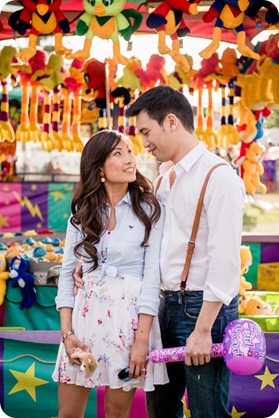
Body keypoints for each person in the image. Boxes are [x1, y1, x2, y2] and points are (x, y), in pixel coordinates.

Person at [74, 86, 246, 418]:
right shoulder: (164, 177)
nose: (144, 143)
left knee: (206, 411)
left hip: (201, 309)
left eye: (145, 132)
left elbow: (226, 263)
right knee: (161, 410)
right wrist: (87, 265)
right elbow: (136, 240)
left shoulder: (218, 177)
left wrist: (202, 329)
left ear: (170, 122)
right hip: (163, 306)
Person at [52, 129, 168, 418]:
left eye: (130, 151)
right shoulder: (80, 215)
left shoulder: (150, 210)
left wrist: (141, 343)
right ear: (99, 167)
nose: (131, 159)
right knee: (68, 414)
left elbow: (152, 280)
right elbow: (67, 276)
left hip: (128, 326)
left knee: (116, 415)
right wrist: (67, 334)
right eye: (119, 153)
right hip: (82, 324)